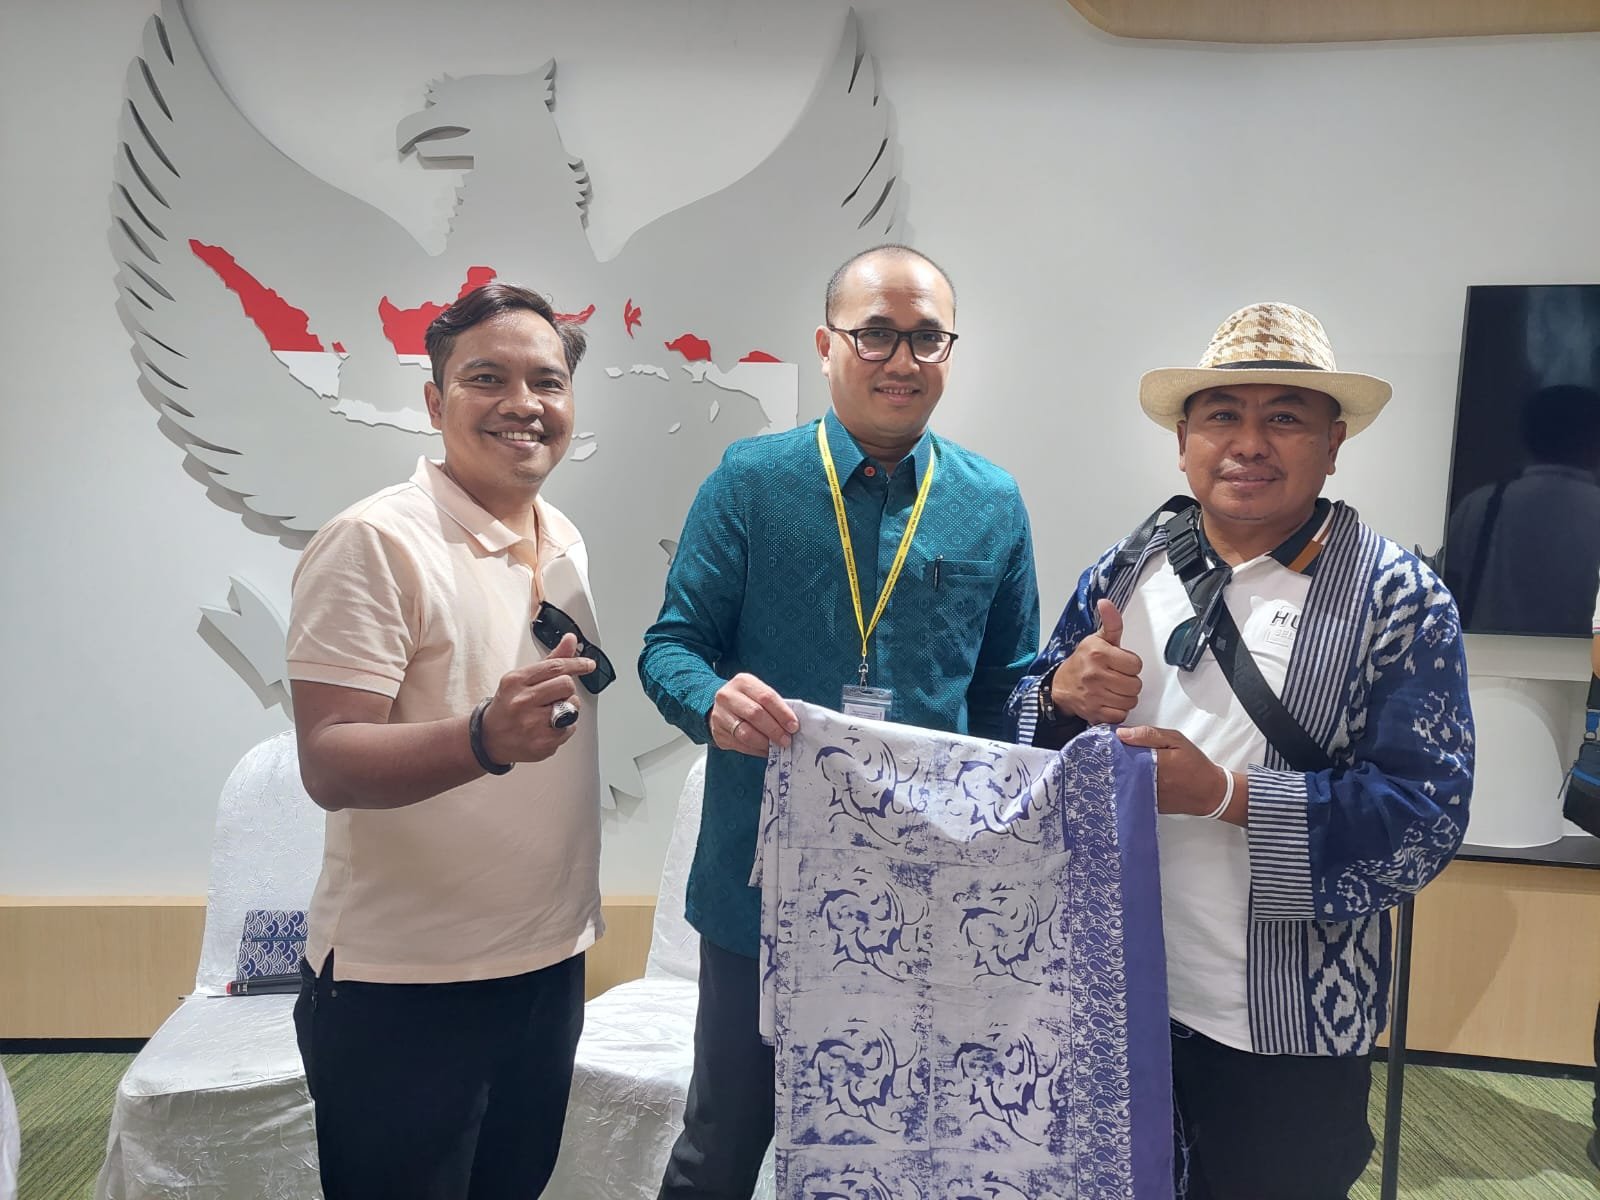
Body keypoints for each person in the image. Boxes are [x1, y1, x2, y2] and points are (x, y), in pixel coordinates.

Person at [1009, 302, 1474, 1199]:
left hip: (1286, 1025)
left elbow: (1426, 818)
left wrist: (1226, 794)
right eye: (1222, 414)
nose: (1249, 443)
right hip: (1108, 995)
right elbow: (1023, 736)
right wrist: (1059, 697)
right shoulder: (1124, 569)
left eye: (1285, 417)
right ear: (1183, 442)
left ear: (1333, 444)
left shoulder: (1400, 599)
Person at [640, 244, 1040, 1199]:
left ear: (950, 351)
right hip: (760, 889)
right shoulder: (751, 481)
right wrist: (711, 700)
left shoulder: (991, 502)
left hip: (926, 894)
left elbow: (1006, 695)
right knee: (720, 1147)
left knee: (892, 1153)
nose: (902, 360)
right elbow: (671, 647)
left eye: (927, 338)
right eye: (875, 335)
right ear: (826, 346)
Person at [286, 282, 613, 1200]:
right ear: (435, 402)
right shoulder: (374, 541)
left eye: (546, 381)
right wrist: (481, 739)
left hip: (545, 963)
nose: (522, 404)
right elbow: (328, 760)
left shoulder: (563, 537)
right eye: (487, 379)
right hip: (404, 985)